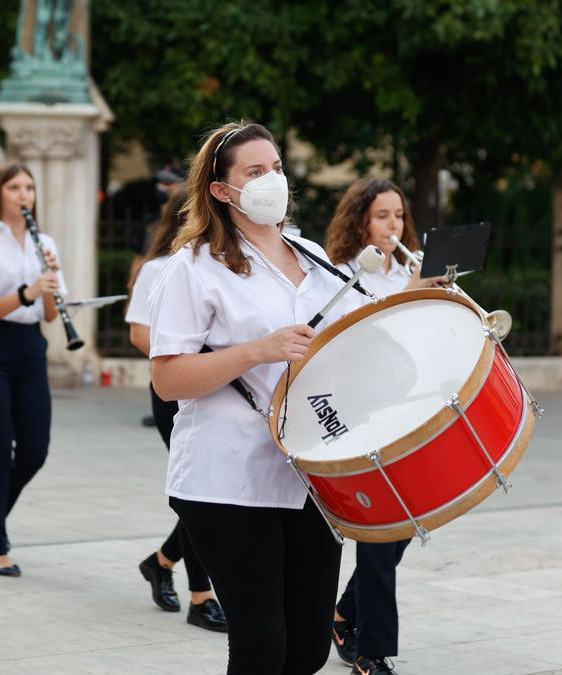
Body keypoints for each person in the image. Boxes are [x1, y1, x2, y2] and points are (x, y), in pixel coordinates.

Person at [149, 121, 363, 674]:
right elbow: (168, 380)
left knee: (309, 649)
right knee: (261, 647)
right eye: (255, 171)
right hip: (227, 478)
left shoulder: (313, 255)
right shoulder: (194, 267)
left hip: (310, 473)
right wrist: (256, 350)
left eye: (276, 167)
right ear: (222, 190)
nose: (274, 179)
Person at [321, 177, 445, 675]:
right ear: (359, 221)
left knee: (406, 522)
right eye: (381, 217)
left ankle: (346, 611)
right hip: (363, 410)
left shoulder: (411, 265)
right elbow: (359, 333)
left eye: (398, 216)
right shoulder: (343, 273)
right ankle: (373, 653)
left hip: (411, 406)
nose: (393, 226)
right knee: (378, 531)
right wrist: (413, 294)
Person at [126, 189, 226, 632]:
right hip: (175, 390)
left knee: (211, 495)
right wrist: (188, 352)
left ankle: (161, 561)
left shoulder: (224, 264)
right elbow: (139, 336)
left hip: (221, 387)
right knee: (200, 492)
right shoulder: (157, 269)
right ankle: (201, 596)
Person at [0, 160, 65, 577]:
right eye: (15, 188)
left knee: (35, 451)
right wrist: (28, 290)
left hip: (30, 347)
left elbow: (53, 315)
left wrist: (50, 280)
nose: (24, 195)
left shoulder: (45, 242)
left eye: (29, 188)